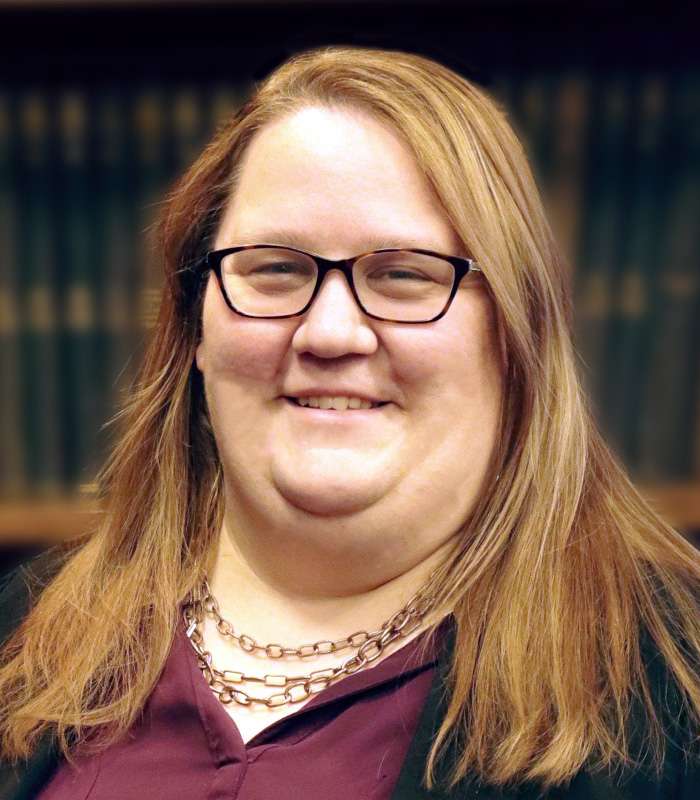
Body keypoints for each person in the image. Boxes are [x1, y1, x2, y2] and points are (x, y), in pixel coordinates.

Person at [1, 45, 699, 800]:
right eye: (275, 269)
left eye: (403, 275)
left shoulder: (676, 686)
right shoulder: (23, 632)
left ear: (514, 334)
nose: (330, 334)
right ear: (196, 324)